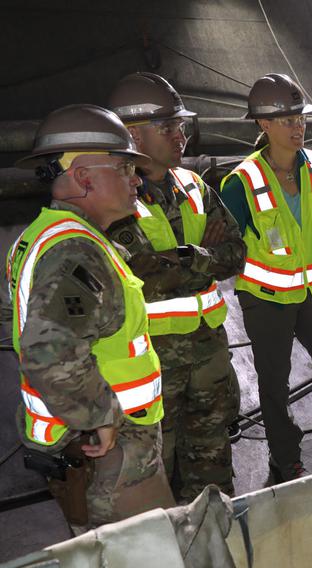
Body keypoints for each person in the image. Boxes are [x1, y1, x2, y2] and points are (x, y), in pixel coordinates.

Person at [7, 104, 175, 527]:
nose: (136, 178)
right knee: (151, 550)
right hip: (112, 453)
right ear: (83, 178)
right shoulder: (75, 252)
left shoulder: (39, 237)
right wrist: (99, 416)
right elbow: (47, 352)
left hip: (78, 443)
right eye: (123, 167)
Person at [220, 73, 312, 483]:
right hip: (266, 298)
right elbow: (222, 249)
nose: (297, 127)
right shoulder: (240, 184)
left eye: (300, 118)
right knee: (274, 383)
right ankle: (285, 458)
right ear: (263, 125)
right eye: (286, 121)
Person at [104, 72, 244, 502]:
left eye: (180, 126)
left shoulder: (194, 186)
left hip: (208, 357)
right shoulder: (114, 198)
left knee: (213, 474)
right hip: (154, 367)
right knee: (154, 482)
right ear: (133, 135)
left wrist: (183, 258)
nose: (180, 135)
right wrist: (201, 254)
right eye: (168, 127)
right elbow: (139, 272)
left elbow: (235, 253)